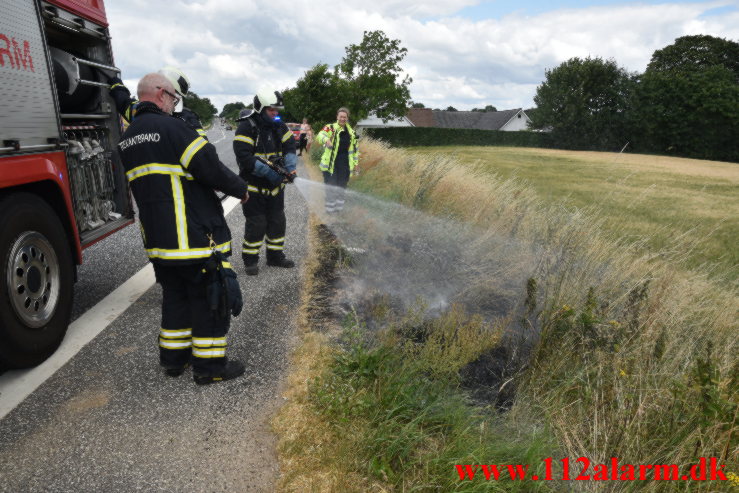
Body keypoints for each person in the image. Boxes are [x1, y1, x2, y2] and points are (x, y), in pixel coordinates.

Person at [117, 72, 249, 385]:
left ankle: (174, 361)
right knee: (209, 300)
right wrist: (241, 188)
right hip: (192, 236)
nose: (175, 104)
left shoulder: (127, 138)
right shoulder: (173, 128)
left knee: (175, 298)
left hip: (158, 243)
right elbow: (209, 167)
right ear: (161, 93)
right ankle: (211, 368)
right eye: (174, 99)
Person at [233, 90, 297, 276]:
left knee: (277, 222)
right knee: (257, 224)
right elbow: (244, 156)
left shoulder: (279, 126)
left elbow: (290, 146)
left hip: (276, 189)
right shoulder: (247, 127)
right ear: (260, 108)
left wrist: (290, 168)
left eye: (277, 110)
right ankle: (250, 260)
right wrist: (270, 173)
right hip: (253, 187)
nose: (275, 113)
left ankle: (275, 257)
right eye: (271, 110)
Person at [109, 66, 208, 139]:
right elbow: (204, 152)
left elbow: (123, 101)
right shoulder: (187, 118)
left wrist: (117, 85)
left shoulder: (140, 112)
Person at [316, 107, 359, 213]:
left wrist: (356, 163)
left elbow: (355, 150)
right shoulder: (330, 128)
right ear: (337, 117)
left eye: (345, 117)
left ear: (347, 118)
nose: (342, 119)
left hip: (345, 163)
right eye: (341, 117)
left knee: (342, 186)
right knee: (331, 186)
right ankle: (330, 211)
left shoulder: (352, 133)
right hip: (330, 164)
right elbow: (320, 135)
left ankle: (338, 210)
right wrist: (326, 140)